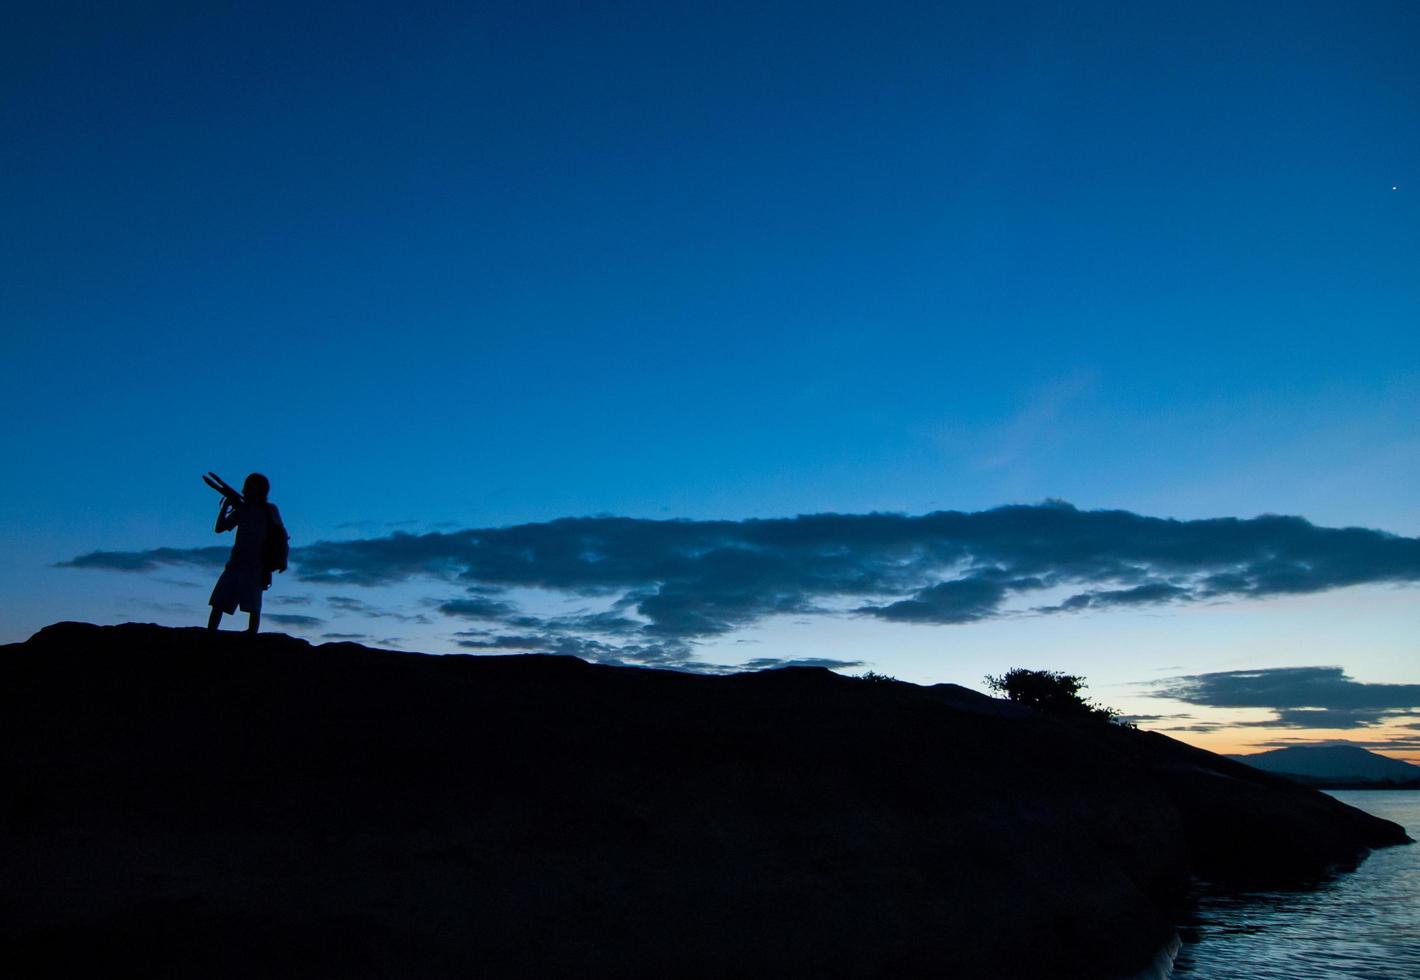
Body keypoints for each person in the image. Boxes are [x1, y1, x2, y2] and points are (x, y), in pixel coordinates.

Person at [207, 473, 287, 633]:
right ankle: (210, 634)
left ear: (259, 489)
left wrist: (281, 559)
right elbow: (220, 528)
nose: (245, 489)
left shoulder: (269, 510)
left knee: (253, 607)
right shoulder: (242, 509)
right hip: (235, 564)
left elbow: (281, 534)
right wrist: (226, 505)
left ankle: (251, 636)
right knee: (219, 603)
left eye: (250, 485)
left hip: (257, 566)